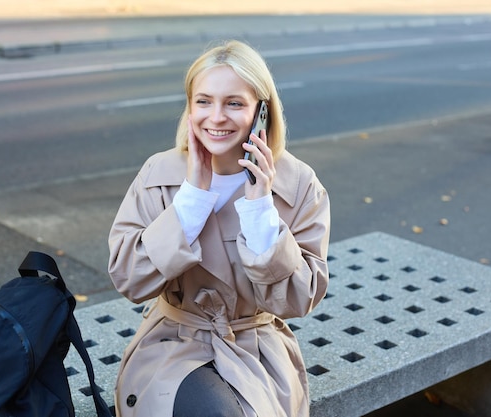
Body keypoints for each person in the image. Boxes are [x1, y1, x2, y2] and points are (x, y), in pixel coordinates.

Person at [108, 39, 330, 417]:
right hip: (173, 344)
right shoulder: (159, 175)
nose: (216, 117)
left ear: (263, 111)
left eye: (235, 103)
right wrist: (193, 195)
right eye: (204, 101)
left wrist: (260, 207)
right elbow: (130, 279)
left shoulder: (297, 184)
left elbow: (298, 300)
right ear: (189, 107)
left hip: (257, 349)